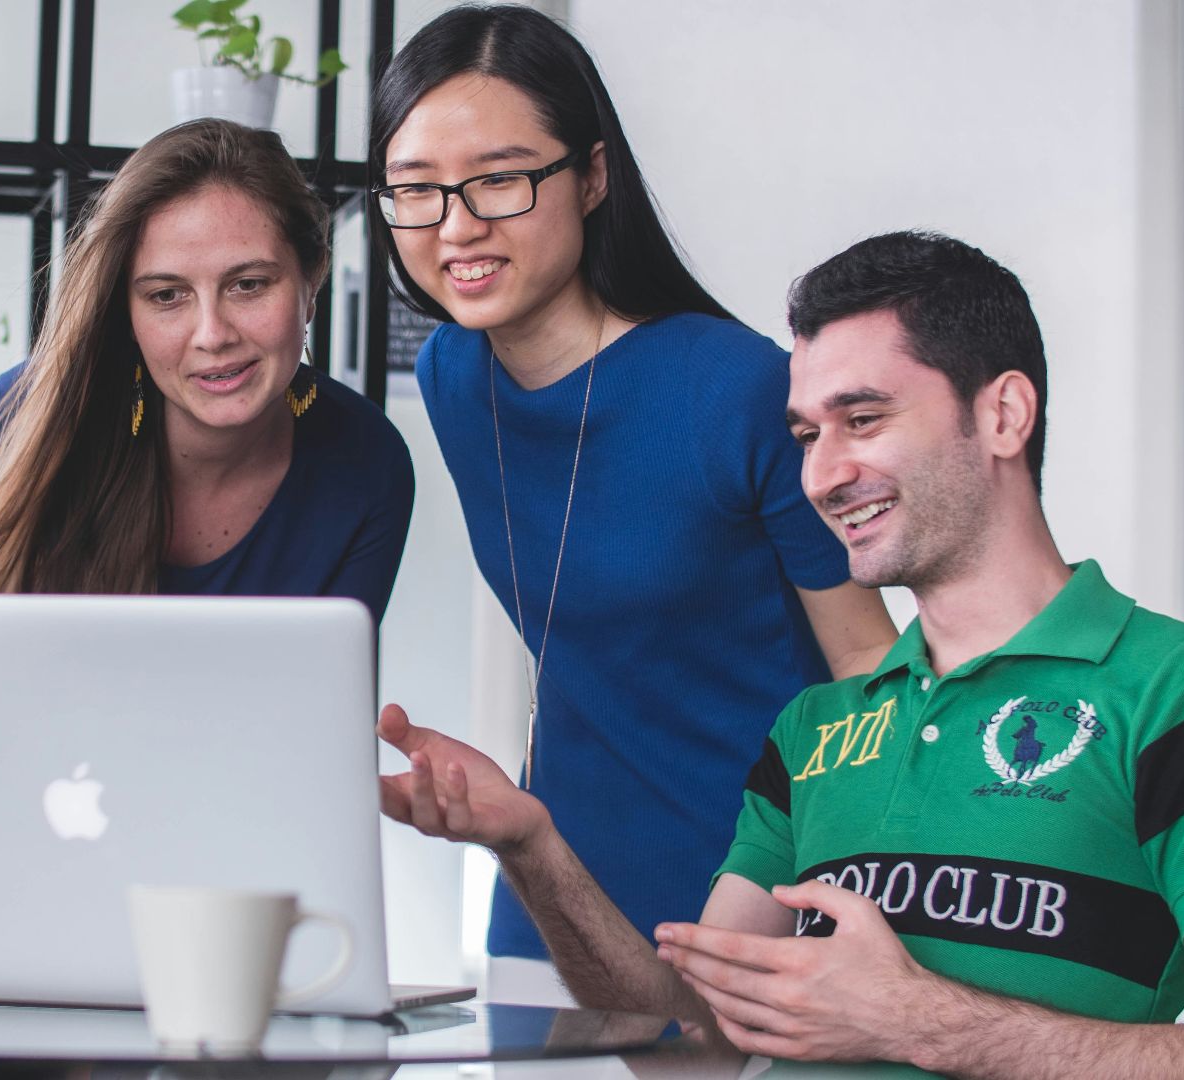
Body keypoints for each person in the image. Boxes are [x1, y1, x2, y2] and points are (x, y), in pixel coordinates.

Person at [379, 231, 1184, 1075]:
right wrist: (531, 843)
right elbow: (693, 1048)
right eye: (808, 435)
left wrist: (913, 1020)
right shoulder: (815, 728)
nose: (822, 473)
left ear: (1005, 415)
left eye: (863, 420)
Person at [367, 4, 896, 996]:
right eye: (417, 191)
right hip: (552, 900)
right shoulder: (451, 375)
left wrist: (859, 904)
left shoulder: (735, 388)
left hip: (757, 904)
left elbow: (866, 664)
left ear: (594, 174)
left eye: (501, 179)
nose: (457, 226)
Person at [0, 119, 414, 623]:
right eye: (167, 295)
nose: (212, 333)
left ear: (310, 282)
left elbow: (325, 693)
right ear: (126, 312)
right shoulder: (8, 427)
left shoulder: (369, 463)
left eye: (248, 284)